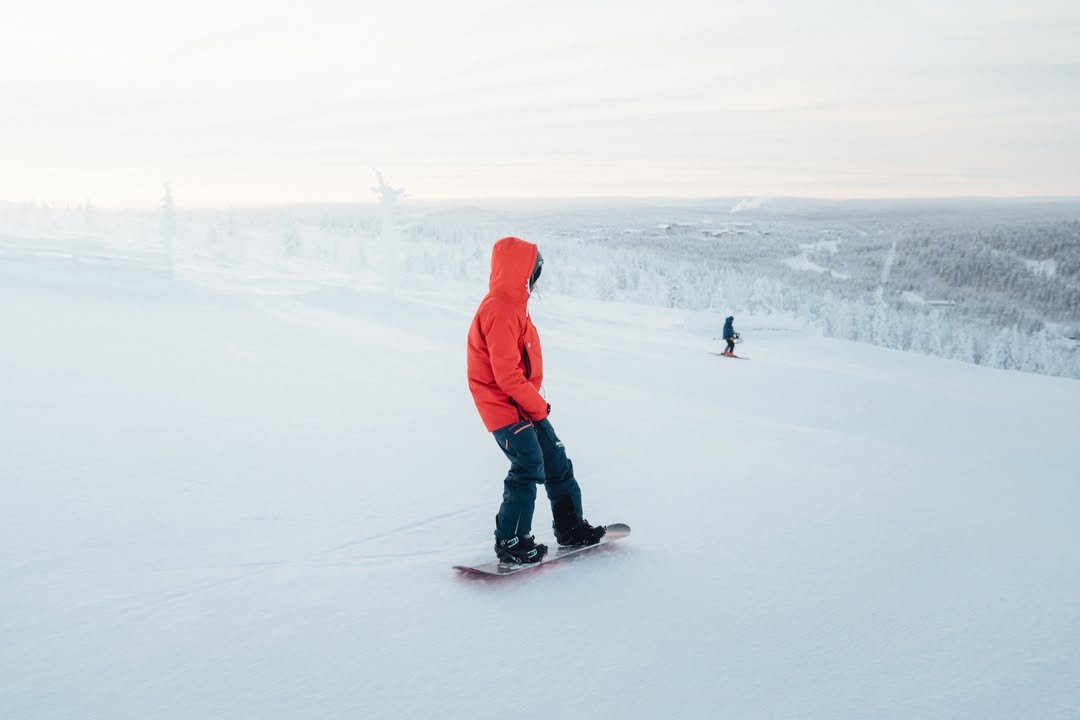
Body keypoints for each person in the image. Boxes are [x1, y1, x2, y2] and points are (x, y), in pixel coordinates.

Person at [467, 236, 606, 564]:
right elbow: (506, 375)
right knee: (528, 464)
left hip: (522, 405)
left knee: (556, 461)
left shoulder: (514, 305)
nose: (535, 278)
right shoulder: (499, 309)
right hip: (504, 408)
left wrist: (534, 406)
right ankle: (511, 541)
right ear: (520, 272)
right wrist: (539, 407)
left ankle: (570, 527)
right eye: (534, 271)